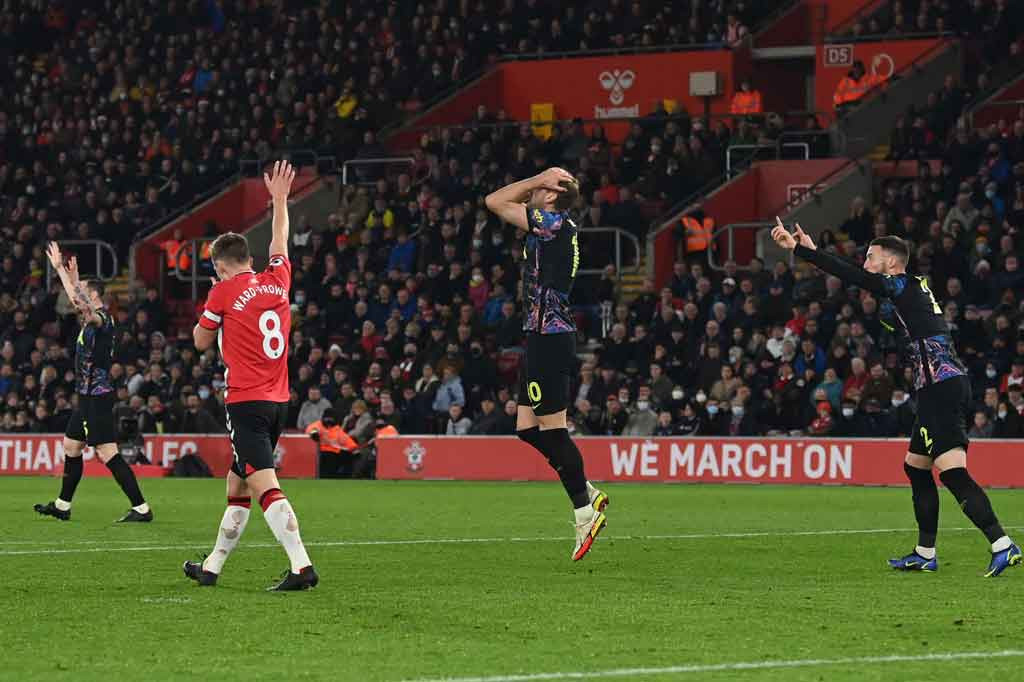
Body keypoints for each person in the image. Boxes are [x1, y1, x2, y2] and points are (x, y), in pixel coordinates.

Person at [772, 217, 1020, 576]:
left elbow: (854, 277)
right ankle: (925, 553)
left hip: (941, 388)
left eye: (871, 257)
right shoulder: (912, 290)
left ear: (890, 262)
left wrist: (804, 251)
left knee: (952, 473)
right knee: (915, 467)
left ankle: (1002, 544)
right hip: (938, 386)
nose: (866, 263)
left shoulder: (900, 283)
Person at [184, 161, 319, 591]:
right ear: (249, 258)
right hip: (278, 398)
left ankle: (302, 567)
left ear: (221, 266)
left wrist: (214, 314)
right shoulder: (277, 277)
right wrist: (279, 198)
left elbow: (199, 343)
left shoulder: (222, 290)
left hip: (245, 400)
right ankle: (212, 567)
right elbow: (280, 237)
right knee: (238, 478)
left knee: (264, 483)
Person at [486, 167, 608, 561]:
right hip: (540, 336)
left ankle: (584, 513)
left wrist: (540, 177)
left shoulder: (552, 222)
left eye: (541, 190)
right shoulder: (556, 224)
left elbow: (494, 201)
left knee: (553, 430)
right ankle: (586, 489)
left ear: (552, 196)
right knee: (526, 427)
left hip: (551, 339)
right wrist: (540, 182)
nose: (533, 194)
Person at [35, 243, 153, 523]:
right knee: (71, 446)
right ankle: (63, 505)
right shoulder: (91, 321)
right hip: (86, 396)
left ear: (95, 295)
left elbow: (80, 304)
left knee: (107, 452)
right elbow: (79, 302)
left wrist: (60, 271)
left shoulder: (101, 319)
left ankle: (141, 508)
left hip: (98, 398)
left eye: (85, 290)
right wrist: (73, 280)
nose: (79, 296)